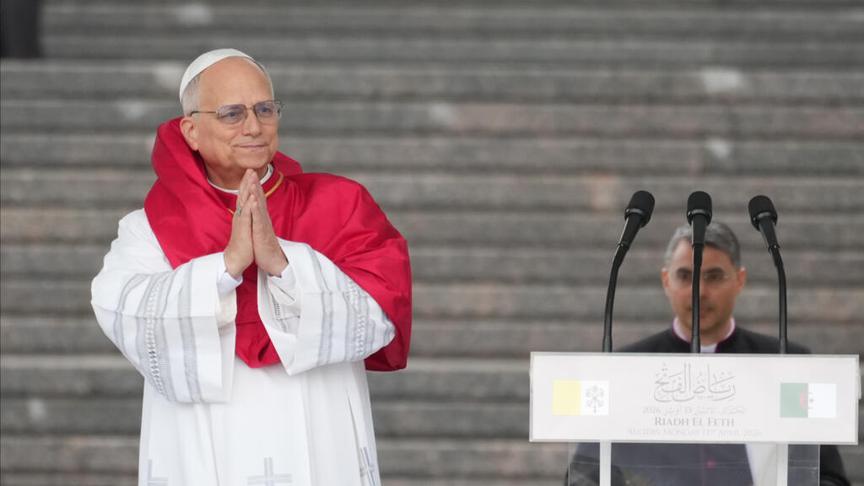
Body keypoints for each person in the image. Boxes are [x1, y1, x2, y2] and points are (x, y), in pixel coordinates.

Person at [91, 48, 412, 486]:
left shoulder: (340, 205)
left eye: (265, 109)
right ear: (191, 130)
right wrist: (226, 266)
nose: (254, 126)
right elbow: (122, 310)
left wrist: (283, 264)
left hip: (321, 434)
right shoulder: (149, 228)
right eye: (231, 114)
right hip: (206, 443)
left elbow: (380, 315)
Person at [566, 221, 849, 486]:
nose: (699, 291)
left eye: (714, 277)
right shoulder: (626, 371)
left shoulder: (788, 364)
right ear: (666, 281)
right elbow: (584, 475)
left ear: (740, 280)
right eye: (685, 276)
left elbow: (827, 476)